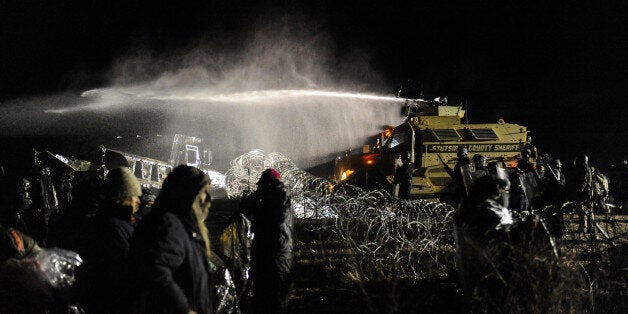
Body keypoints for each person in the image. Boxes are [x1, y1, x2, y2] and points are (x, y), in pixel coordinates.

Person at [127, 165, 213, 314]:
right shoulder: (168, 225)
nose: (209, 198)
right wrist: (184, 309)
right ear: (188, 193)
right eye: (204, 191)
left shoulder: (181, 226)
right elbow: (154, 270)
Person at [76, 167, 142, 313]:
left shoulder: (130, 221)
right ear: (122, 196)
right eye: (134, 195)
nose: (138, 200)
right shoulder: (109, 227)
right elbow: (123, 269)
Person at [240, 168, 293, 313]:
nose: (259, 190)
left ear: (268, 184)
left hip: (274, 264)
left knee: (272, 303)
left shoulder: (278, 197)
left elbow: (269, 224)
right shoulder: (276, 197)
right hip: (272, 262)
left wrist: (255, 203)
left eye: (261, 186)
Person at [571, 154, 594, 233]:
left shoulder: (584, 168)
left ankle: (583, 227)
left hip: (584, 194)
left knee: (582, 210)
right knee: (589, 210)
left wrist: (578, 191)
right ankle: (590, 227)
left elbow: (583, 181)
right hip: (588, 192)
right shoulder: (588, 168)